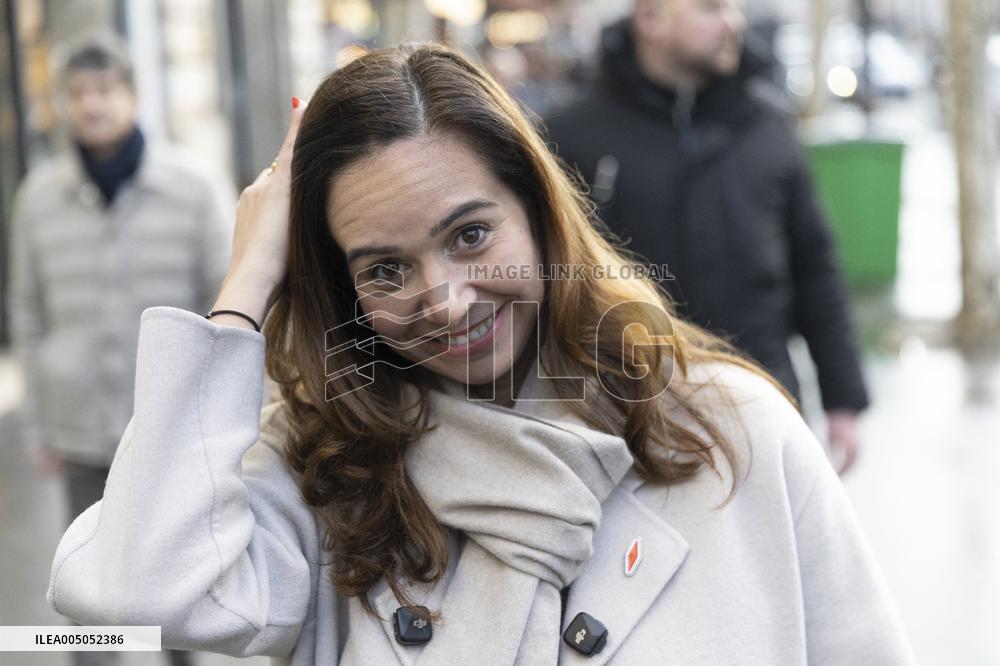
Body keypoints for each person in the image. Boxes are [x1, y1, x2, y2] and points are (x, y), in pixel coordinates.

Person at [46, 43, 914, 664]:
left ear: (537, 212)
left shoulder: (730, 430)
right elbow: (133, 592)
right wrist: (246, 287)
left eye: (469, 234)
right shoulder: (325, 474)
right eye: (385, 269)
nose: (448, 300)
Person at [543, 0, 870, 474]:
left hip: (764, 406)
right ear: (651, 20)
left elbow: (815, 265)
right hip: (624, 421)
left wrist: (844, 401)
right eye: (710, 7)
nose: (733, 22)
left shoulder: (767, 125)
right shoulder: (570, 137)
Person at [7, 33, 234, 666]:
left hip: (168, 426)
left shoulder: (192, 187)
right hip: (79, 424)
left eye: (105, 91)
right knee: (88, 584)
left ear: (132, 96)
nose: (93, 106)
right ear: (64, 106)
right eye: (78, 94)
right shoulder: (38, 198)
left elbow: (228, 304)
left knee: (174, 582)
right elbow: (26, 311)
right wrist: (37, 422)